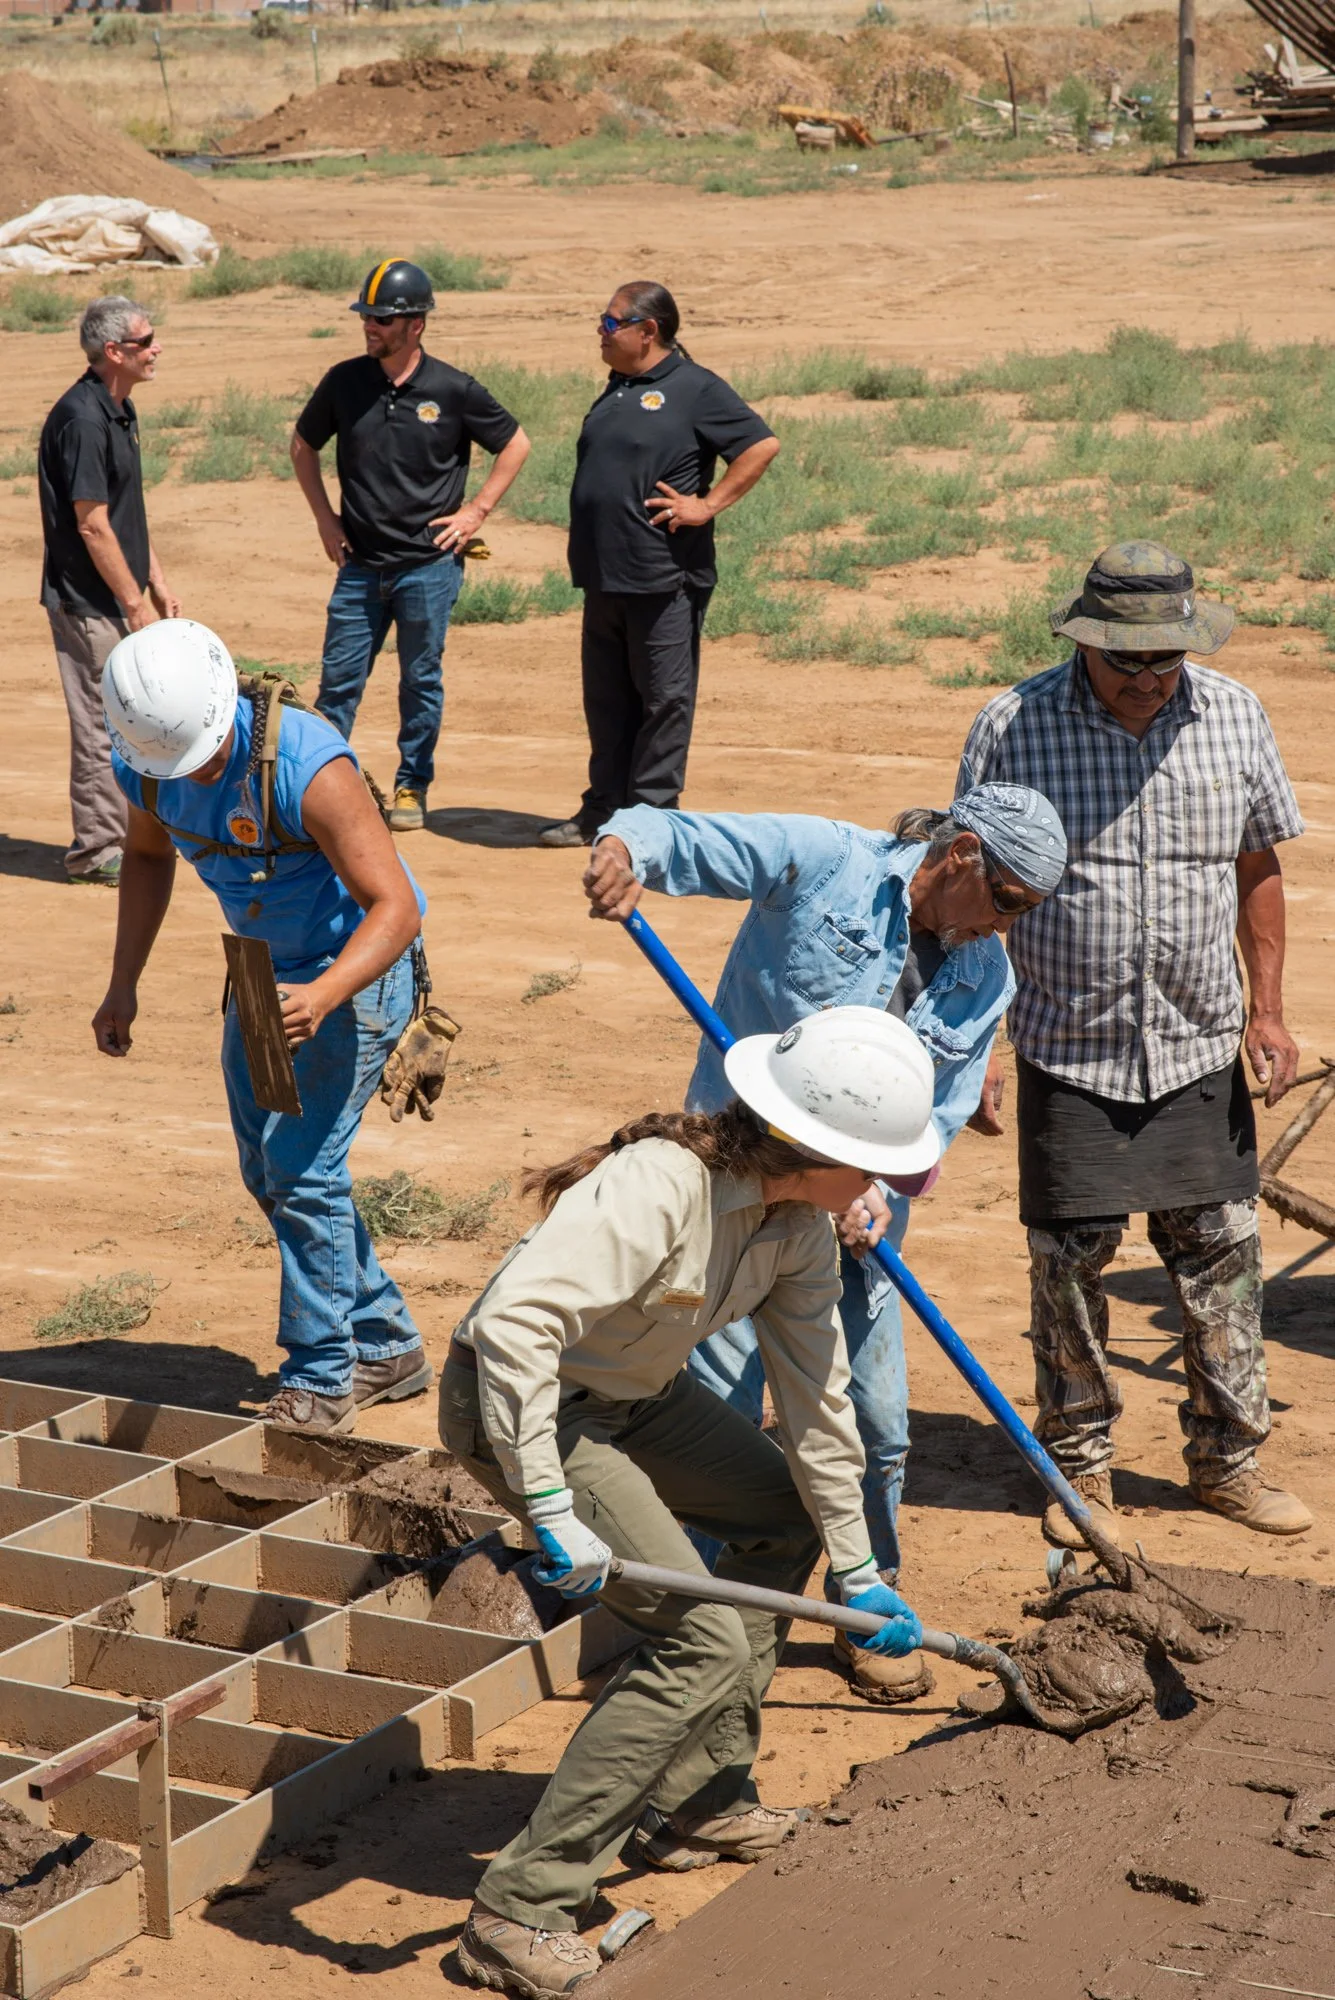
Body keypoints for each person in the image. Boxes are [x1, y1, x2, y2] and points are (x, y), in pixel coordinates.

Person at [442, 1006, 937, 1997]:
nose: (885, 1185)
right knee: (698, 1638)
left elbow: (817, 1401)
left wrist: (858, 1564)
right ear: (818, 1147)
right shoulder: (661, 1184)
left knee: (784, 1514)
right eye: (878, 1164)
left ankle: (700, 1796)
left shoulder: (799, 1230)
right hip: (528, 1406)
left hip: (637, 1398)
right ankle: (520, 1907)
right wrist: (547, 1501)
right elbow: (514, 1325)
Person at [582, 784, 1067, 1704]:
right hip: (738, 1194)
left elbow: (946, 1115)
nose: (1000, 930)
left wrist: (879, 1190)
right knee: (717, 1410)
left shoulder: (983, 976)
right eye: (1003, 902)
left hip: (856, 1218)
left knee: (876, 1425)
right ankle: (692, 1604)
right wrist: (624, 853)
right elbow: (683, 835)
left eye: (1025, 916)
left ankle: (863, 1594)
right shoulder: (826, 861)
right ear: (960, 852)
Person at [958, 539, 1311, 1543]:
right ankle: (1080, 1469)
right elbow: (965, 889)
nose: (1151, 682)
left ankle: (1229, 1461)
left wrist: (1268, 1008)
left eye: (1168, 661)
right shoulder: (1013, 725)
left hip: (1199, 1044)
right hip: (1068, 1045)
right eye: (1130, 664)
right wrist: (978, 1042)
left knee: (1223, 1259)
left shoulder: (1234, 714)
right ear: (1087, 644)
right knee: (1067, 1268)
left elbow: (1258, 865)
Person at [92, 619, 437, 1437]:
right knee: (267, 1169)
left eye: (206, 754)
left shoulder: (309, 766)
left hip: (351, 977)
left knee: (301, 1168)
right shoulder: (146, 766)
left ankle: (322, 1378)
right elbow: (146, 858)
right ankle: (386, 1345)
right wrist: (122, 984)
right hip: (257, 981)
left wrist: (322, 996)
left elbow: (399, 908)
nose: (197, 772)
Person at [291, 259, 531, 833]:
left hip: (428, 567)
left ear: (415, 324)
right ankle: (313, 790)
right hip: (359, 566)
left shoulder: (452, 389)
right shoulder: (344, 381)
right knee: (338, 682)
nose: (369, 326)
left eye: (381, 318)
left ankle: (410, 786)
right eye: (366, 316)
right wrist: (327, 521)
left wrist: (476, 512)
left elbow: (515, 442)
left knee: (420, 679)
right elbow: (304, 446)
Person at [538, 282, 779, 850]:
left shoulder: (693, 387)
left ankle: (652, 820)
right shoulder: (618, 388)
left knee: (663, 700)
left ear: (649, 331)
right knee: (607, 701)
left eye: (610, 321)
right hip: (604, 577)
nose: (600, 330)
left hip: (665, 575)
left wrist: (707, 504)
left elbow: (760, 444)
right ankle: (601, 813)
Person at [38, 295, 180, 887]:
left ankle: (131, 837)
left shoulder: (120, 409)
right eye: (146, 342)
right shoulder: (83, 419)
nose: (157, 349)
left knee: (134, 717)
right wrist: (133, 601)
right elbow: (92, 523)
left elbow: (125, 514)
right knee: (102, 723)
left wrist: (158, 581)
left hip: (119, 591)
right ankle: (97, 851)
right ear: (114, 351)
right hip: (89, 602)